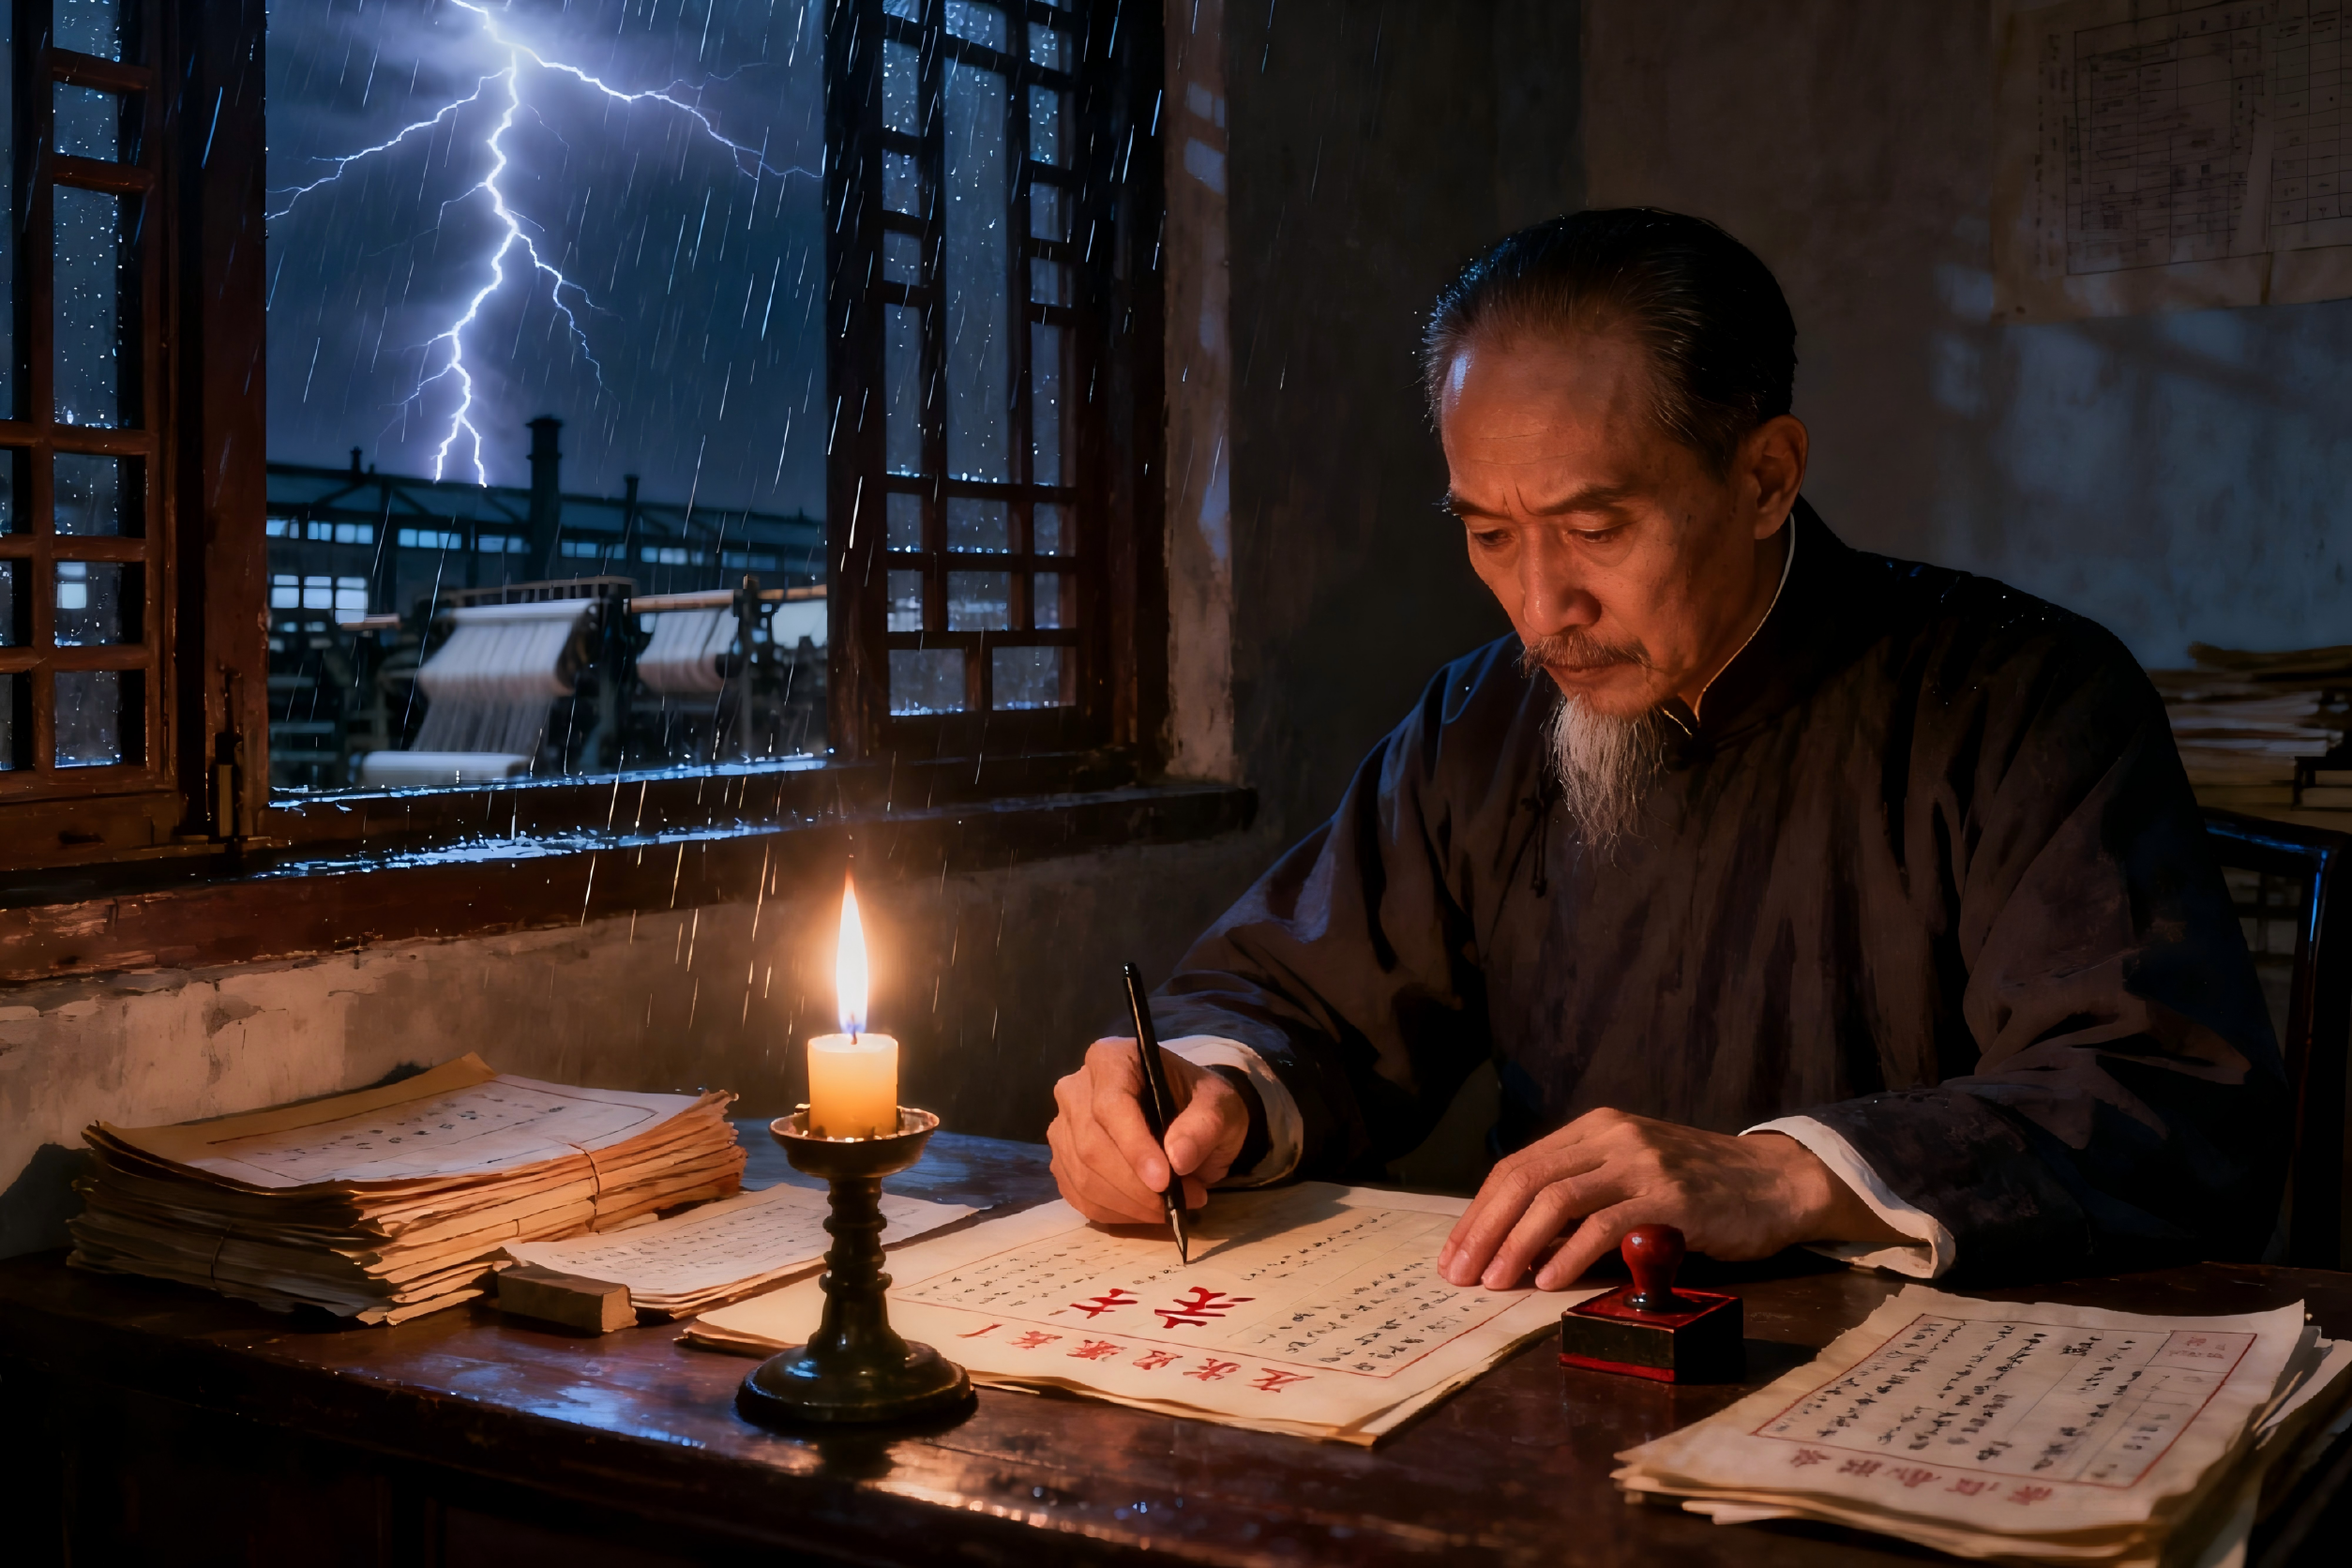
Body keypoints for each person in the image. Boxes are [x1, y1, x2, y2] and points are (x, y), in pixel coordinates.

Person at [1047, 209, 2285, 1289]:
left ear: (1763, 477)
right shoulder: (1482, 719)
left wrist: (1791, 1177)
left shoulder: (2021, 696)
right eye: (1488, 535)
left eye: (1595, 526)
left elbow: (2158, 1091)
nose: (1541, 611)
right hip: (1556, 1368)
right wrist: (1200, 1095)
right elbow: (1294, 992)